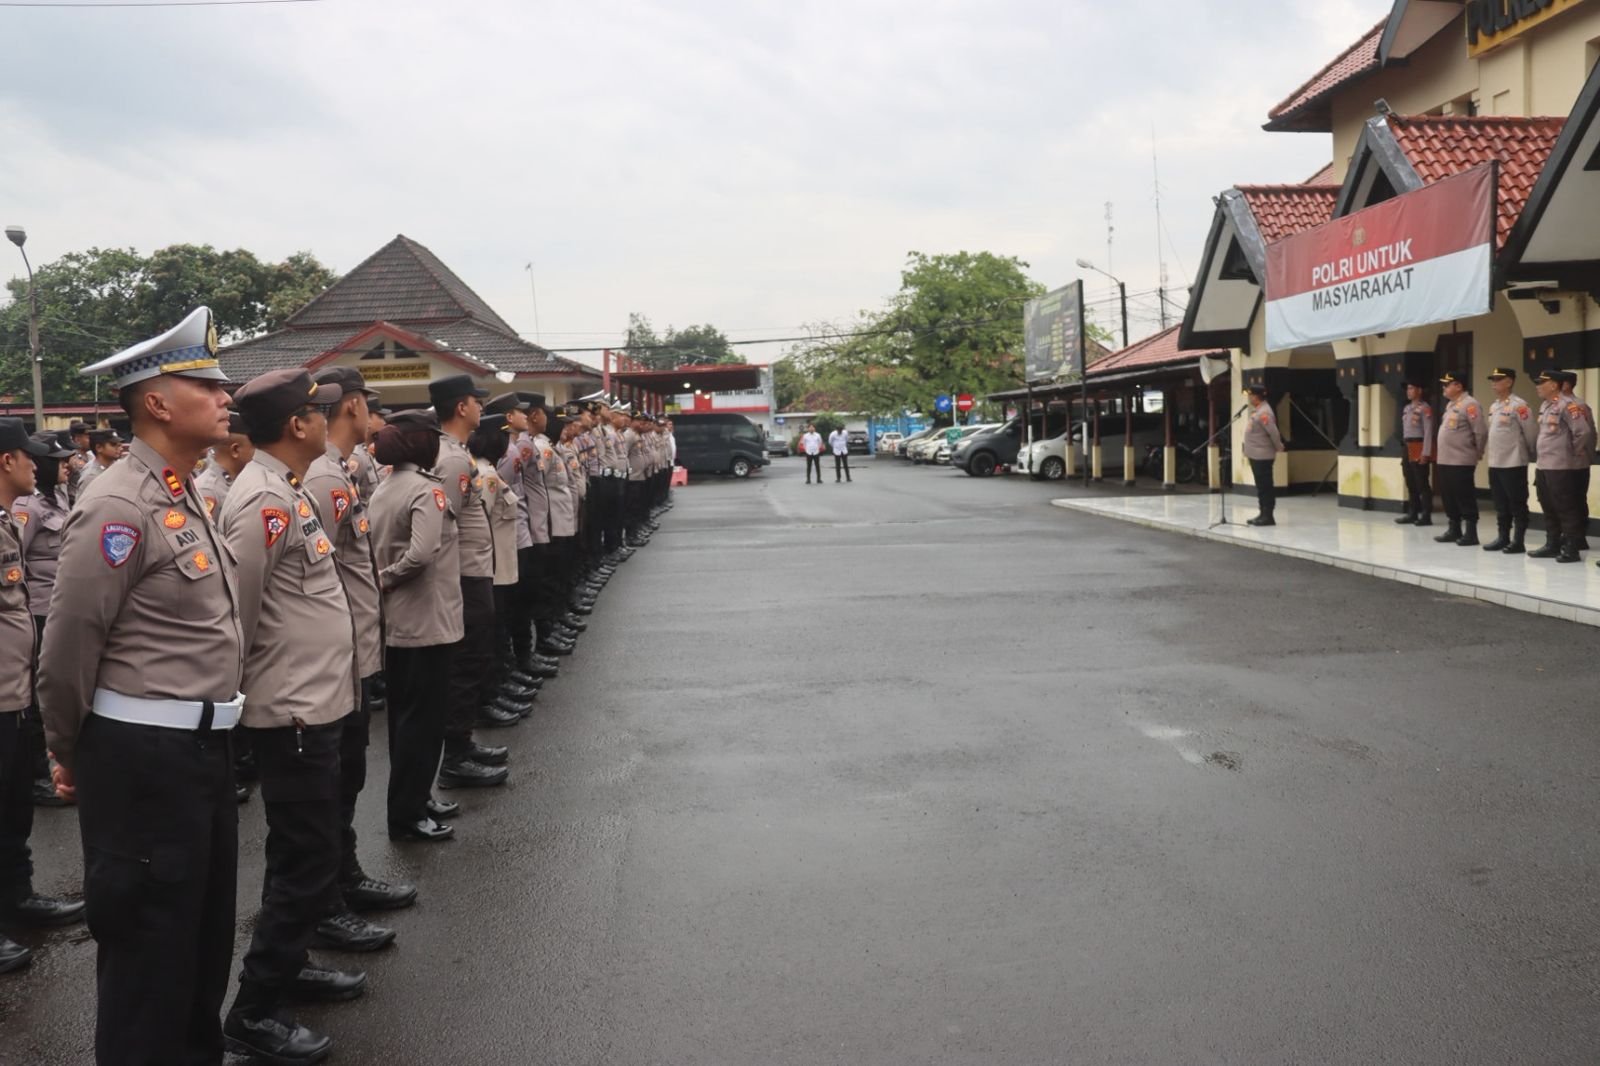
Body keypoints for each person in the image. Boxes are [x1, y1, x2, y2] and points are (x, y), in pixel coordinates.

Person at [37, 307, 245, 1064]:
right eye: (208, 383)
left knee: (200, 945)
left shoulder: (182, 489)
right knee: (150, 958)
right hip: (144, 758)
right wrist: (68, 751)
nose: (228, 396)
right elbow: (66, 649)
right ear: (156, 402)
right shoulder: (120, 504)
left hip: (198, 753)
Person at [220, 367, 363, 1063]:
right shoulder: (263, 501)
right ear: (299, 425)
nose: (323, 419)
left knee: (299, 851)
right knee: (310, 855)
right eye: (315, 411)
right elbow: (234, 614)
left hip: (315, 700)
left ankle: (291, 959)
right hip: (291, 708)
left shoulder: (288, 490)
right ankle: (256, 1010)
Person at [304, 367, 418, 939]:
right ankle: (326, 900)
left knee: (347, 779)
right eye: (368, 407)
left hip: (356, 647)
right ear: (352, 406)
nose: (373, 418)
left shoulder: (341, 472)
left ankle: (344, 876)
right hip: (338, 652)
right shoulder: (324, 480)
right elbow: (309, 576)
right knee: (330, 786)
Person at [0, 421, 82, 977]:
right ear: (7, 461)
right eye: (29, 456)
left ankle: (16, 896)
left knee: (11, 806)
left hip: (14, 688)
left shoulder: (6, 518)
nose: (40, 464)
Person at [367, 410, 459, 842]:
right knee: (423, 723)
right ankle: (407, 814)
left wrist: (381, 581)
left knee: (406, 721)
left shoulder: (384, 487)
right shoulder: (426, 491)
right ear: (421, 444)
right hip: (427, 620)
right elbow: (422, 554)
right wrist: (387, 578)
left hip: (399, 621)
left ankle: (416, 796)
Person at [430, 374, 518, 787]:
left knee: (476, 659)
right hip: (463, 575)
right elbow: (440, 526)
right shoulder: (450, 460)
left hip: (476, 570)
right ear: (461, 407)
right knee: (465, 666)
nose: (482, 408)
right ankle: (454, 758)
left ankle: (463, 744)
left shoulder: (458, 453)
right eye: (476, 401)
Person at [15, 432, 76, 809]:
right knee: (37, 698)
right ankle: (38, 775)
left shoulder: (60, 499)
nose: (67, 465)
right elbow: (14, 557)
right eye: (61, 460)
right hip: (37, 610)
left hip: (57, 608)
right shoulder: (28, 507)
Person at [471, 412, 535, 737]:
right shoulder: (485, 475)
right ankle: (490, 696)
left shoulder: (491, 471)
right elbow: (478, 526)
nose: (505, 441)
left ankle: (500, 688)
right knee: (491, 636)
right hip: (491, 569)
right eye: (502, 436)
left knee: (499, 632)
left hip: (502, 568)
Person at [1531, 369, 1592, 563]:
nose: (1538, 387)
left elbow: (1582, 432)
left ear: (1554, 385)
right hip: (1544, 465)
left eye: (1542, 383)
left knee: (1566, 506)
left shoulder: (1569, 405)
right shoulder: (1546, 405)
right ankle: (1552, 544)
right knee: (1547, 504)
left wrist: (1573, 453)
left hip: (1561, 465)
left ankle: (1572, 547)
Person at [1483, 368, 1537, 553]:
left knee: (1517, 503)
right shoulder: (1494, 406)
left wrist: (1530, 454)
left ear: (1509, 382)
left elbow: (1530, 433)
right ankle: (1503, 537)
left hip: (1514, 462)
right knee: (1500, 503)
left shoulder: (1519, 406)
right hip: (1496, 462)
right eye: (1493, 380)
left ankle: (1518, 540)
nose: (1494, 383)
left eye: (1498, 379)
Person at [1432, 372, 1488, 546]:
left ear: (1458, 386)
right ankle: (1454, 528)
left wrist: (1477, 452)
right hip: (1445, 459)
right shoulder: (1451, 405)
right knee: (1448, 495)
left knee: (1464, 495)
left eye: (1447, 384)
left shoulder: (1470, 405)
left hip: (1461, 459)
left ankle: (1471, 532)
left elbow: (1480, 431)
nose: (1444, 388)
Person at [194, 410, 255, 519]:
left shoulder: (237, 482)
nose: (258, 454)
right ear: (235, 450)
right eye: (255, 447)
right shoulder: (209, 490)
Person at [1242, 384, 1285, 526]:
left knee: (1265, 486)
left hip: (1263, 456)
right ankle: (1262, 513)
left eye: (1251, 395)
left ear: (1256, 396)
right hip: (1256, 455)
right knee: (1261, 486)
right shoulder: (1258, 410)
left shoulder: (1264, 412)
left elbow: (1273, 432)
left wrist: (1279, 447)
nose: (1249, 397)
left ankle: (1268, 515)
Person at [1397, 382, 1434, 525]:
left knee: (1422, 482)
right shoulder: (1407, 408)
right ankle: (1412, 512)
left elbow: (1428, 431)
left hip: (1419, 445)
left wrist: (1426, 452)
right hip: (1407, 446)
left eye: (1412, 388)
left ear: (1419, 390)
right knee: (1410, 481)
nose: (1408, 391)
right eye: (1408, 388)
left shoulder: (1425, 408)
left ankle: (1426, 514)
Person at [75, 427, 124, 497]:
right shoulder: (90, 476)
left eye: (119, 445)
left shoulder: (116, 467)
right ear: (99, 448)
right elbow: (82, 504)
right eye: (113, 444)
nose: (120, 448)